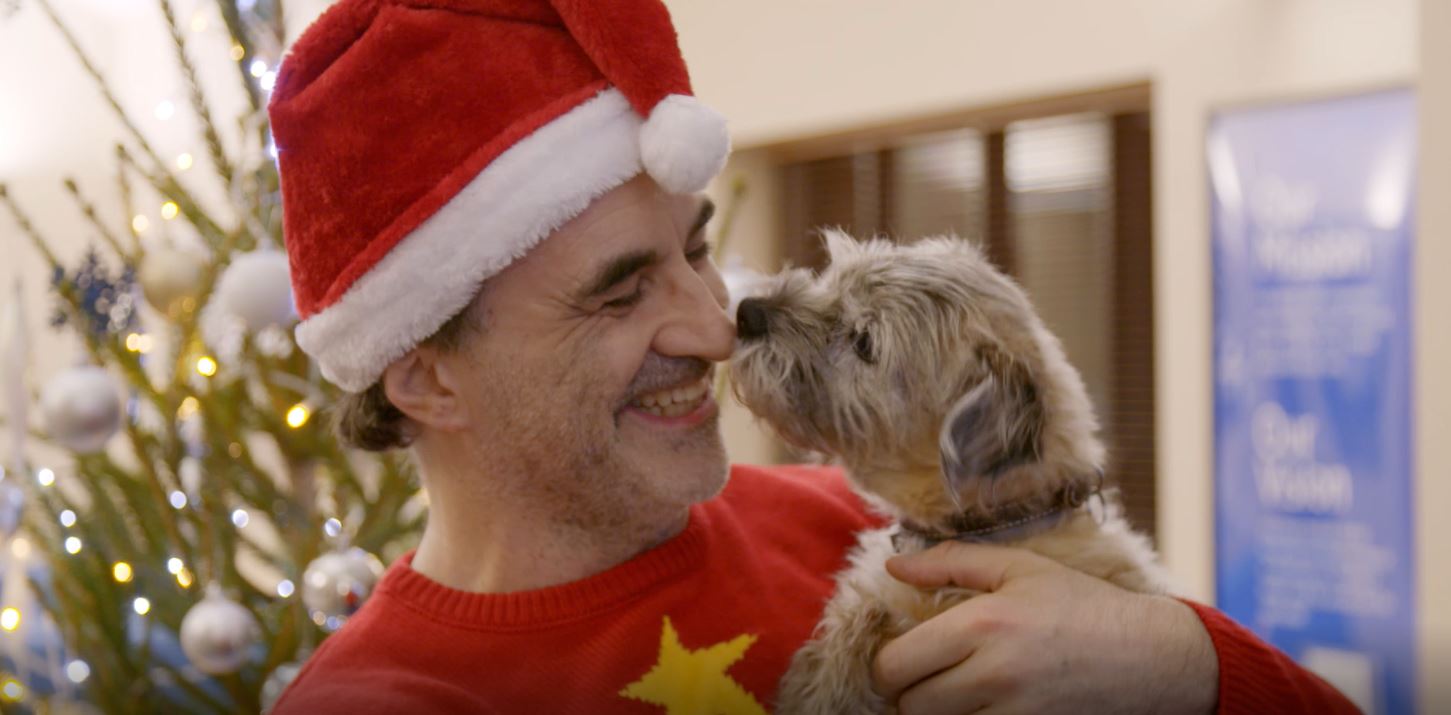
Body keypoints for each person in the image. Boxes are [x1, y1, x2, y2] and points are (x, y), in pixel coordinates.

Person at [266, 0, 1359, 712]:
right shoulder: (377, 698)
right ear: (424, 373)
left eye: (694, 249)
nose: (710, 325)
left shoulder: (866, 534)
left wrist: (1185, 669)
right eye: (618, 293)